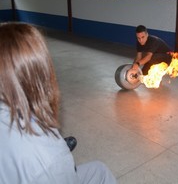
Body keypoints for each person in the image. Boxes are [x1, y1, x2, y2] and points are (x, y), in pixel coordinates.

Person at [0, 22, 116, 184]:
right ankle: (56, 143)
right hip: (45, 165)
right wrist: (58, 154)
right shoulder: (49, 160)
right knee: (100, 171)